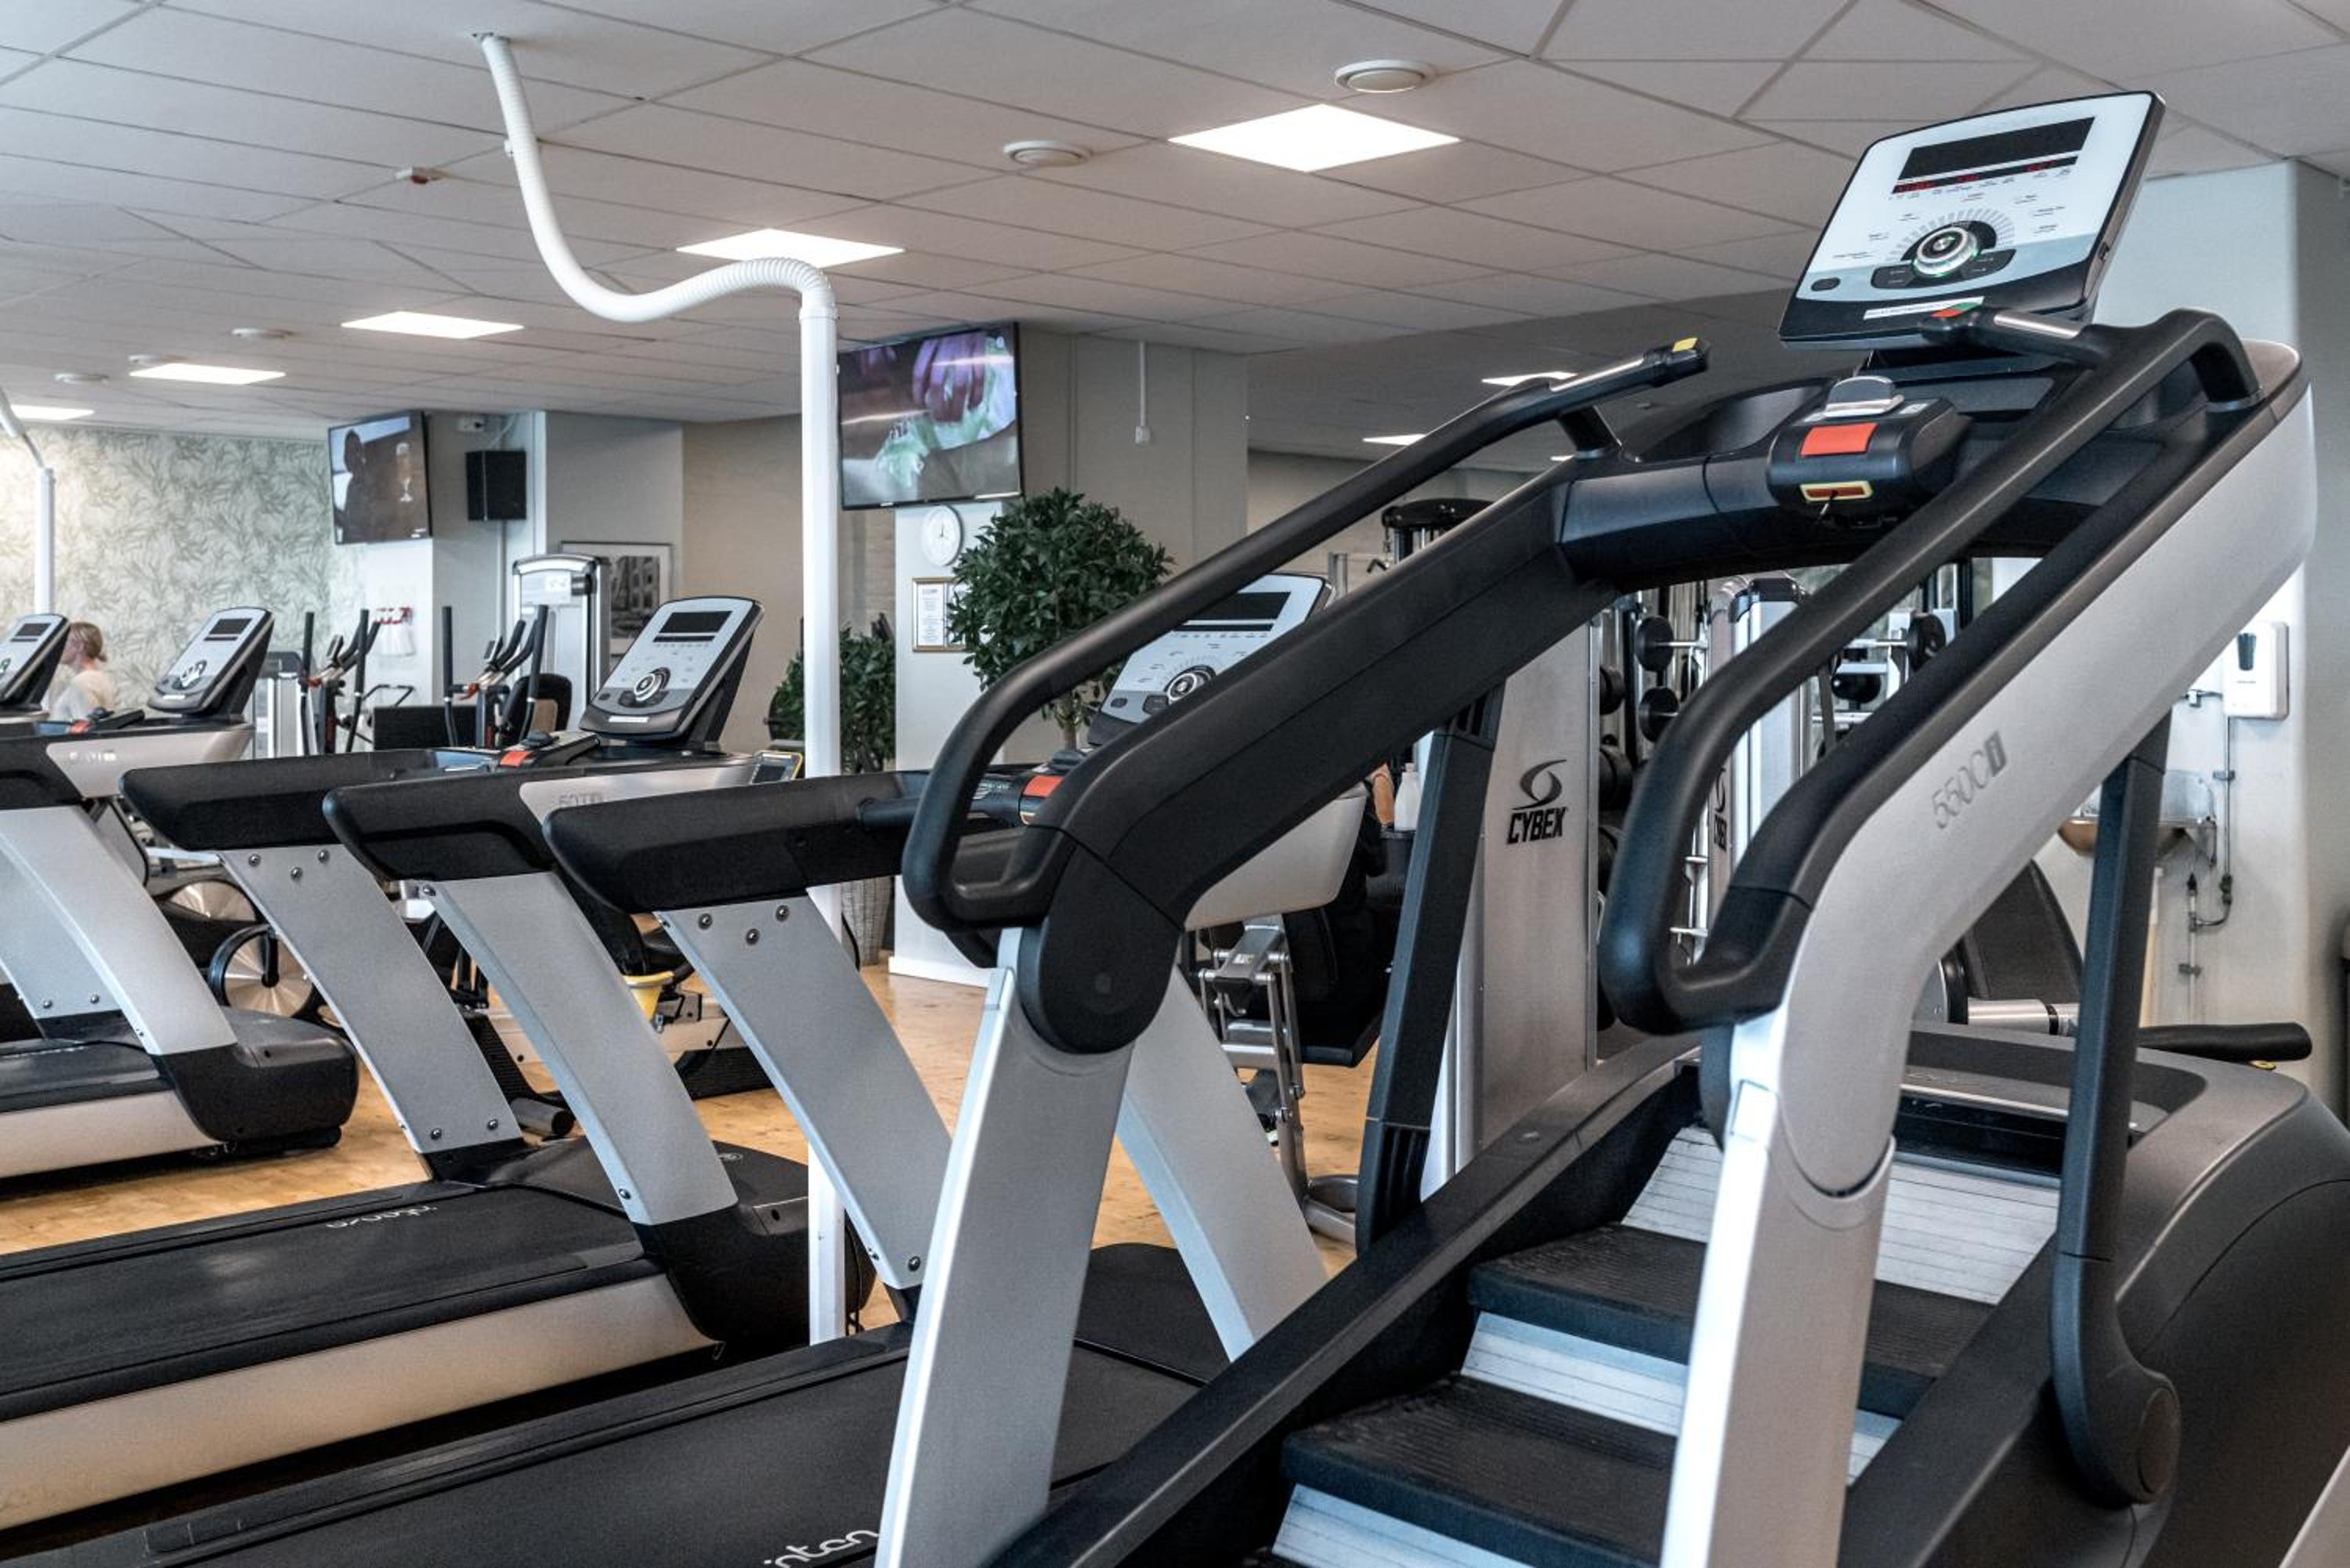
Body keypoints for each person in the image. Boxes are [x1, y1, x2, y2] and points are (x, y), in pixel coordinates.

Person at [53, 620, 120, 721]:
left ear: (80, 647)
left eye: (64, 642)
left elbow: (86, 727)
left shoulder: (81, 682)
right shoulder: (102, 678)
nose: (58, 647)